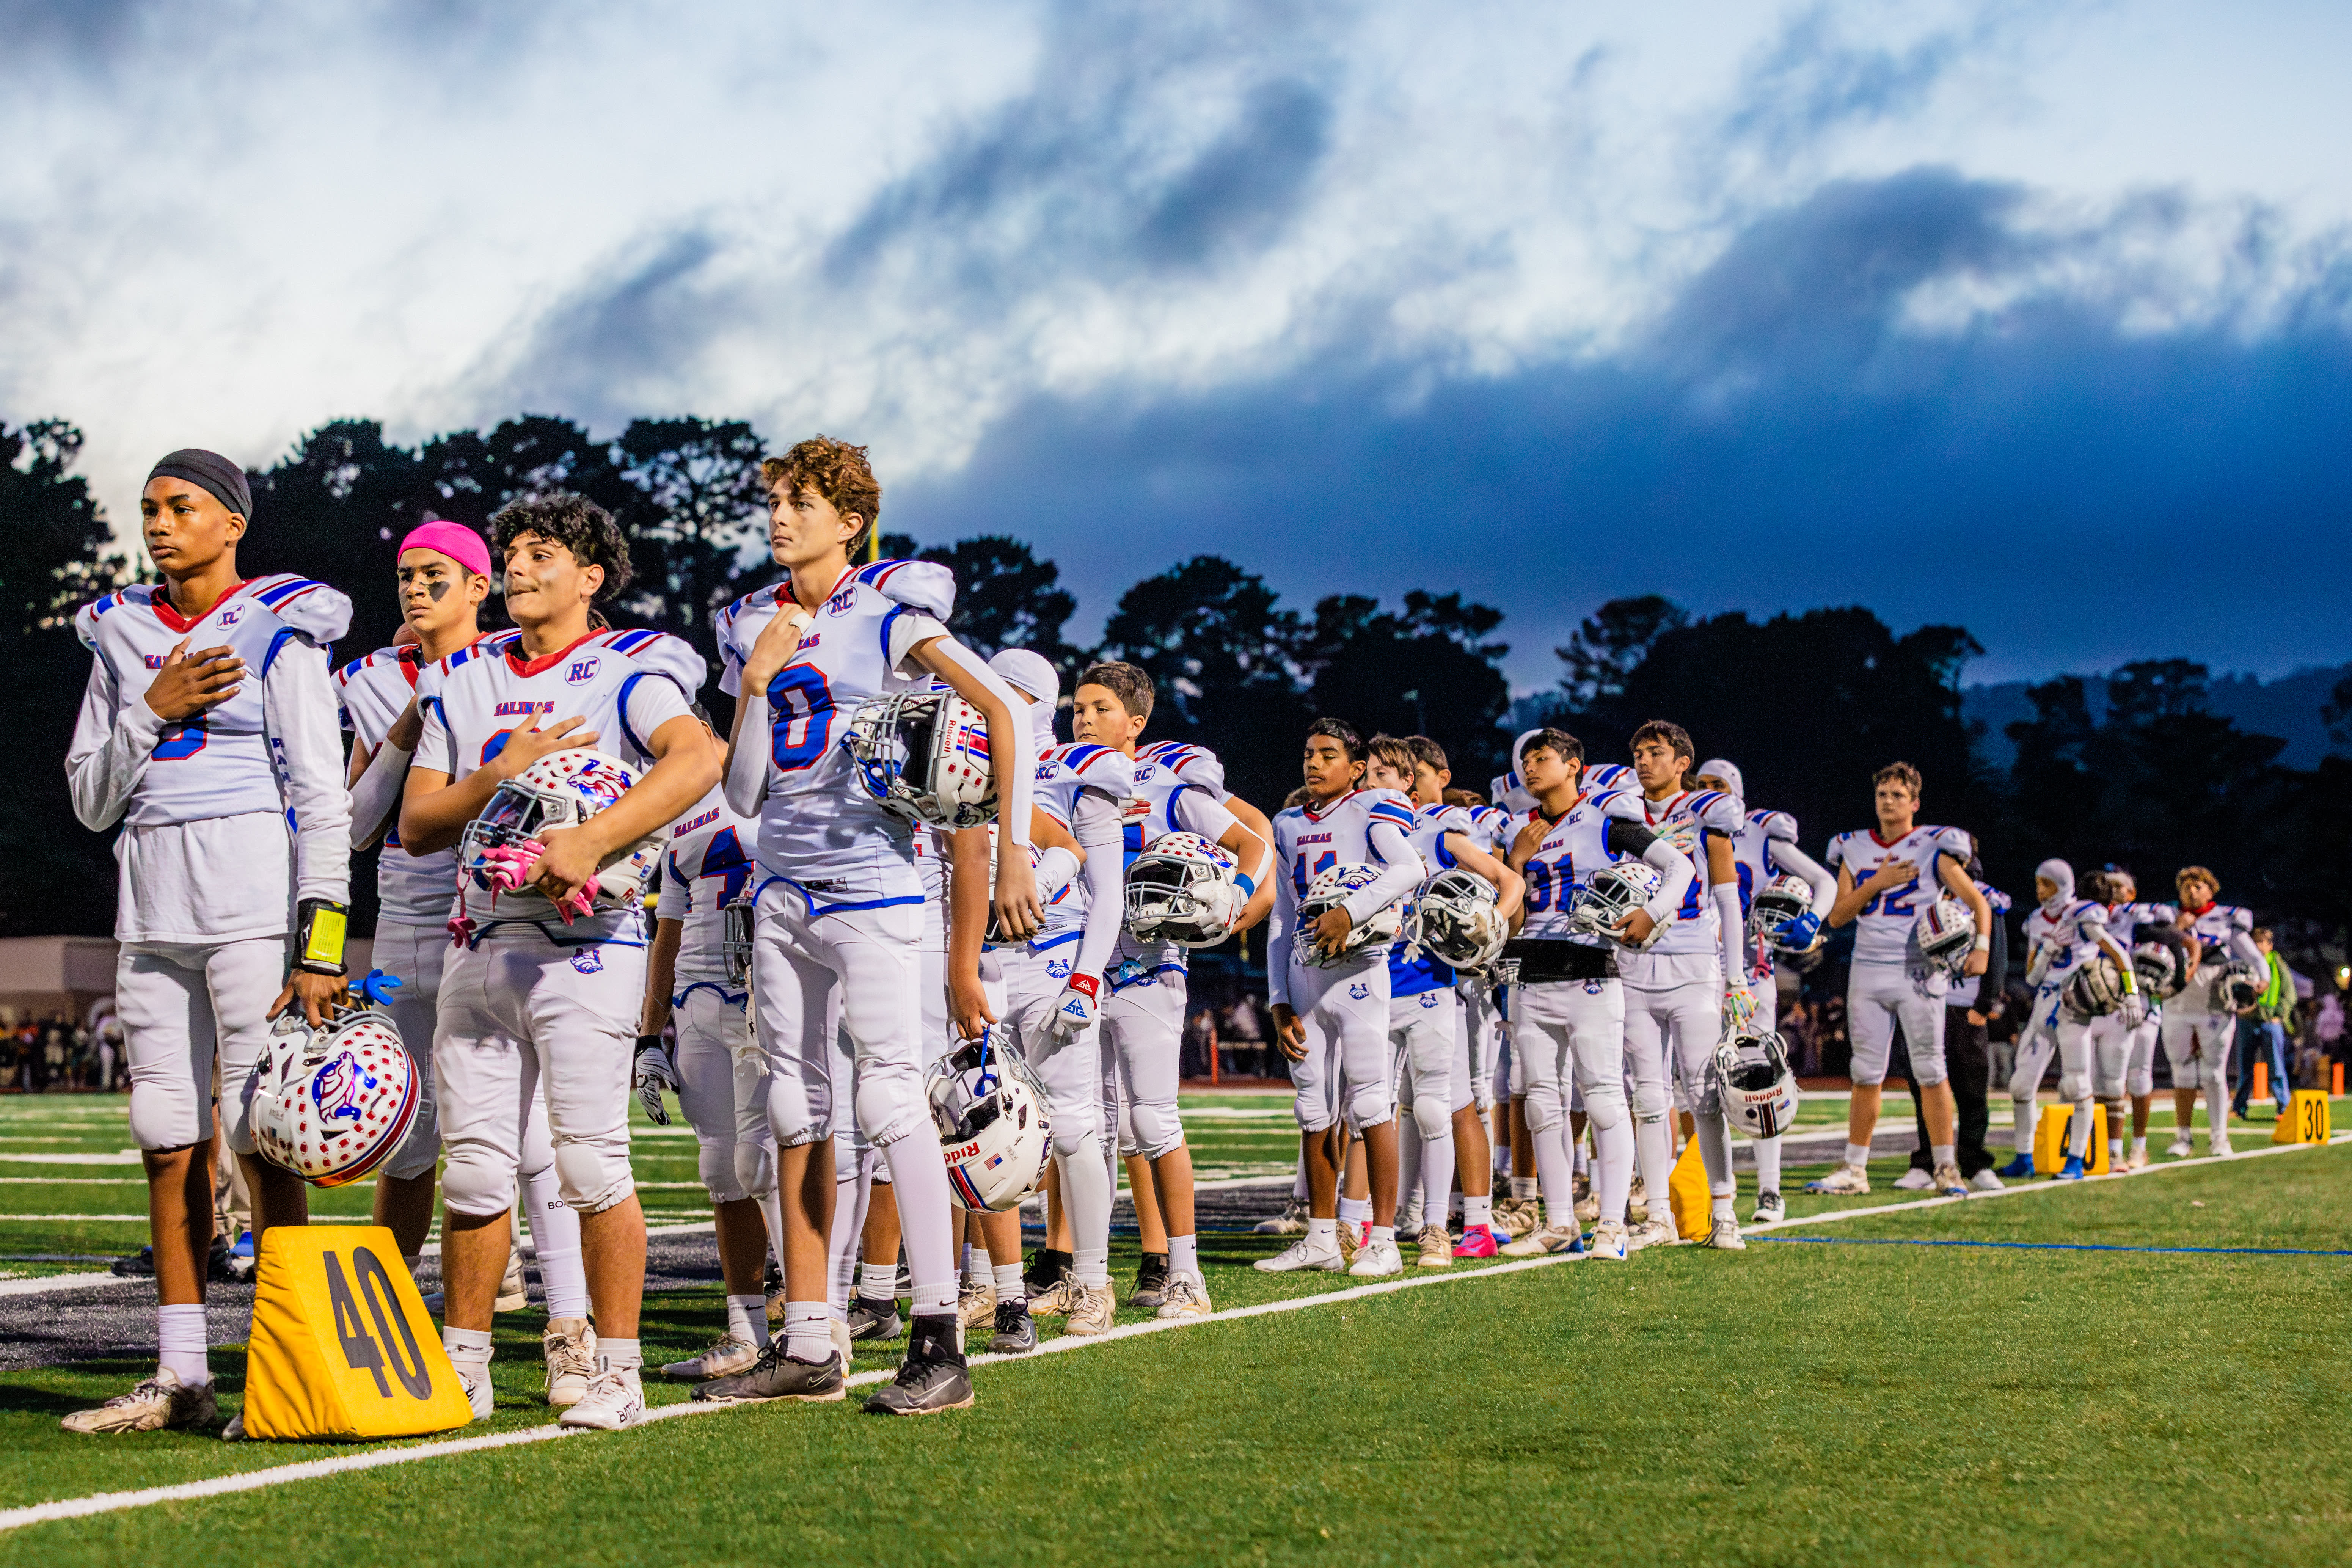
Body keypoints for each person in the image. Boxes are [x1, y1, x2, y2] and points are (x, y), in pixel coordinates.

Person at [698, 437, 1041, 1415]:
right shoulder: (750, 622)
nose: (780, 515)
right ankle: (810, 1336)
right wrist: (757, 683)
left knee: (890, 1103)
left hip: (875, 888)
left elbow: (1006, 709)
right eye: (774, 498)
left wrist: (1012, 845)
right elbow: (743, 789)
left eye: (801, 500)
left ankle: (941, 1341)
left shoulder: (889, 613)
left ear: (850, 520)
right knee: (796, 1115)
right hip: (782, 888)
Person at [401, 492, 719, 1430]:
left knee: (589, 1161)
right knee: (476, 1174)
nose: (519, 567)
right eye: (512, 552)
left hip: (589, 945)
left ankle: (618, 1370)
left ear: (591, 576)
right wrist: (499, 775)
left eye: (542, 553)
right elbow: (418, 823)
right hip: (482, 937)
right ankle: (465, 1368)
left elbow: (694, 759)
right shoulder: (462, 678)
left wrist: (593, 840)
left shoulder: (628, 667)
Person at [61, 448, 352, 1435]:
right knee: (162, 1134)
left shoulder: (284, 626)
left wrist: (321, 940)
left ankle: (287, 1365)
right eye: (148, 507)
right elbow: (90, 800)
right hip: (148, 907)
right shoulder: (120, 633)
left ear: (232, 521)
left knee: (266, 1132)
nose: (158, 522)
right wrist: (154, 707)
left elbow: (322, 793)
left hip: (252, 905)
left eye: (180, 505)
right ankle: (181, 1369)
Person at [1068, 662, 1273, 1313]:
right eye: (1077, 708)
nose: (1083, 720)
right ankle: (1090, 1275)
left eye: (1099, 709)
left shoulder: (1166, 782)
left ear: (1136, 722)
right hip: (1074, 968)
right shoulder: (1058, 776)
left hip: (1149, 967)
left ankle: (1185, 1271)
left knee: (1153, 1121)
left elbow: (1253, 844)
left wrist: (1238, 894)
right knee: (1089, 1127)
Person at [1499, 728, 1692, 1260]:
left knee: (1604, 1097)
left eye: (1543, 758)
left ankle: (1611, 1222)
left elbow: (1681, 866)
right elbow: (1512, 922)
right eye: (1526, 760)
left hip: (1588, 970)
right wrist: (1514, 865)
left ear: (1574, 764)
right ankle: (1559, 1221)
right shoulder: (1522, 830)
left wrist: (1652, 912)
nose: (1531, 767)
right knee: (1540, 1102)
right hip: (1530, 970)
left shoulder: (1606, 820)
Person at [632, 772, 785, 1383]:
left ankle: (814, 1322)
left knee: (767, 1160)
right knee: (721, 1169)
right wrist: (649, 1033)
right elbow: (665, 935)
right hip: (696, 1002)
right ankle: (747, 1330)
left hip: (762, 994)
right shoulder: (674, 819)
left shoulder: (775, 784)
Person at [1256, 720, 1423, 1278]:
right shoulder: (1285, 822)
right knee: (1311, 1107)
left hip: (1359, 970)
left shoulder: (1371, 807)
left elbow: (1410, 868)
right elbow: (1282, 913)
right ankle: (1322, 1235)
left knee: (1372, 1103)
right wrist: (1277, 996)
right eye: (1308, 753)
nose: (1313, 763)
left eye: (1328, 754)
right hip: (1305, 973)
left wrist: (1350, 912)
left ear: (1355, 767)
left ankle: (1383, 1237)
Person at [1364, 735, 1523, 1263]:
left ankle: (1464, 1222)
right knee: (1371, 1107)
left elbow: (1507, 880)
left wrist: (1489, 929)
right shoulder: (1353, 825)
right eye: (1368, 774)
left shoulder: (1436, 828)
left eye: (1384, 775)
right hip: (1367, 984)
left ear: (1408, 782)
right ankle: (1367, 1222)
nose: (1372, 784)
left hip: (1433, 982)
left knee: (1448, 1103)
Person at [1810, 763, 1989, 1198]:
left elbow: (1976, 901)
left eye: (1896, 794)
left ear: (1914, 802)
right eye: (1882, 794)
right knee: (1865, 1072)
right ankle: (1855, 1167)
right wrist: (1879, 882)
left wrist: (1982, 945)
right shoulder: (1851, 847)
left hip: (1918, 969)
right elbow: (1836, 915)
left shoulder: (1934, 844)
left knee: (1931, 1069)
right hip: (1868, 968)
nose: (1887, 801)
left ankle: (1946, 1166)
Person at [1618, 722, 1751, 1252]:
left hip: (1693, 960)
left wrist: (1735, 976)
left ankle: (1724, 1211)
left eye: (1655, 752)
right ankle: (1657, 1214)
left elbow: (1727, 897)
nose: (1643, 761)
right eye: (1637, 752)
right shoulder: (1620, 810)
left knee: (1703, 1095)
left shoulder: (1706, 810)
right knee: (1647, 1096)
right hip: (1633, 964)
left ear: (1682, 761)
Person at [1693, 758, 1837, 1222]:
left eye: (1718, 785)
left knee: (1762, 1082)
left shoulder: (1760, 830)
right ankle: (1700, 1190)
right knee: (1693, 1087)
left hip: (1750, 974)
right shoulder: (1680, 822)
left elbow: (1824, 881)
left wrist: (1812, 921)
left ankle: (1770, 1191)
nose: (1709, 793)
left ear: (1736, 791)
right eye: (1702, 785)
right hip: (1691, 972)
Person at [1897, 859, 2007, 1190]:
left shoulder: (1985, 900)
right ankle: (1926, 1161)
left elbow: (1996, 951)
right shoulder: (1929, 899)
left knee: (1972, 1088)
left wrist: (1986, 1003)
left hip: (1966, 1005)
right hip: (1928, 1002)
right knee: (1924, 1085)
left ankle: (1976, 1162)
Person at [2162, 866, 2263, 1157]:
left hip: (2215, 1006)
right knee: (2181, 1072)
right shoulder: (2169, 918)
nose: (2192, 891)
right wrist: (2177, 928)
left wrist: (2262, 979)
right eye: (2187, 887)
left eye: (2198, 886)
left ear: (2211, 889)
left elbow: (2254, 957)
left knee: (2214, 1073)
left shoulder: (2227, 919)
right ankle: (2183, 1137)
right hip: (2177, 1004)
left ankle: (2220, 1137)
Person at [2234, 928, 2294, 1121]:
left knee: (2276, 1067)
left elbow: (2290, 993)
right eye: (2256, 942)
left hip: (2270, 1022)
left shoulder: (2277, 963)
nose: (2259, 946)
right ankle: (2239, 1108)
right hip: (2247, 1021)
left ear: (2271, 945)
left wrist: (2280, 1015)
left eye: (2263, 942)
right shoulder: (2245, 963)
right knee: (2245, 1068)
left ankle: (2283, 1108)